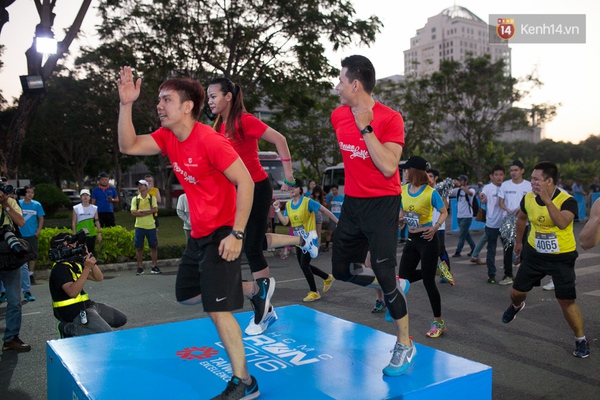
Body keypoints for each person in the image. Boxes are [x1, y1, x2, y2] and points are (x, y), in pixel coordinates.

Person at [118, 66, 267, 398]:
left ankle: (244, 383)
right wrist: (125, 104)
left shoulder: (210, 140)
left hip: (223, 232)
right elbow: (128, 145)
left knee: (217, 310)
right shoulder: (168, 136)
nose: (159, 105)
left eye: (166, 99)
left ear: (187, 106)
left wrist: (238, 234)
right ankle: (252, 289)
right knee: (186, 295)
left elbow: (246, 182)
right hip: (198, 234)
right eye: (158, 99)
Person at [207, 77, 318, 336]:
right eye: (209, 96)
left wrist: (289, 176)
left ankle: (263, 307)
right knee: (252, 241)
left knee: (252, 247)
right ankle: (303, 241)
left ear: (228, 97)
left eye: (213, 96)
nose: (210, 101)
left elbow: (280, 140)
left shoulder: (244, 120)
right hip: (236, 192)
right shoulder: (218, 126)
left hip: (256, 188)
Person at [330, 55, 413, 376]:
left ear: (355, 84)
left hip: (382, 204)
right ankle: (395, 284)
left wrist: (366, 127)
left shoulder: (391, 118)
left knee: (385, 274)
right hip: (353, 203)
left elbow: (389, 166)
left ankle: (405, 344)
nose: (337, 87)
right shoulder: (338, 115)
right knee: (342, 270)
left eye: (340, 81)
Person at [503, 161, 589, 359]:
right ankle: (517, 306)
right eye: (531, 178)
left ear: (549, 181)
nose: (532, 182)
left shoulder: (568, 201)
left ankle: (581, 339)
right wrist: (519, 242)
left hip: (562, 257)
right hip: (534, 253)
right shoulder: (528, 198)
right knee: (516, 292)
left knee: (566, 300)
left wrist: (547, 201)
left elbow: (562, 223)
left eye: (536, 179)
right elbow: (522, 218)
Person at [398, 157, 449, 338]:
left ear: (415, 171)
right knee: (403, 279)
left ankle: (438, 322)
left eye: (406, 169)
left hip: (427, 238)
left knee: (428, 283)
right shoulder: (403, 190)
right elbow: (403, 210)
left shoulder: (430, 192)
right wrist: (401, 220)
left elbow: (444, 212)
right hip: (412, 239)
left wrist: (435, 227)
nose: (404, 172)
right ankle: (436, 269)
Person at [49, 232, 127, 337]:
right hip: (72, 313)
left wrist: (87, 259)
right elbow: (73, 292)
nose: (73, 246)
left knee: (121, 319)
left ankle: (92, 327)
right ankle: (66, 328)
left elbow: (98, 277)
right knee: (107, 336)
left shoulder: (74, 264)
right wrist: (86, 268)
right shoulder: (60, 269)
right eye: (69, 245)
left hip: (87, 306)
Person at [273, 180, 338, 302]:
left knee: (304, 265)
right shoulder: (288, 205)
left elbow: (324, 210)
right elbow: (285, 222)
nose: (291, 189)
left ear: (300, 189)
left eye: (295, 187)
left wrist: (337, 222)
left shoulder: (307, 202)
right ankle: (327, 277)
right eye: (290, 187)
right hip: (299, 240)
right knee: (304, 265)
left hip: (309, 238)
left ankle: (314, 292)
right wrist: (277, 210)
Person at [0, 182, 31, 351]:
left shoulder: (11, 202)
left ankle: (11, 338)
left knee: (14, 300)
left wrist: (5, 204)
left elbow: (20, 222)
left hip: (9, 254)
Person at [498, 160, 532, 271]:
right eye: (511, 170)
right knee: (508, 250)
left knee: (523, 249)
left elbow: (532, 203)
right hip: (508, 223)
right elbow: (501, 203)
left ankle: (524, 274)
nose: (513, 173)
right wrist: (508, 210)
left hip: (523, 223)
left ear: (522, 171)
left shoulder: (529, 186)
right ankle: (507, 274)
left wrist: (521, 209)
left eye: (516, 170)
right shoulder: (505, 185)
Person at [478, 164, 507, 284]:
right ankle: (491, 275)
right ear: (491, 176)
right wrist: (482, 196)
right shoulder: (488, 188)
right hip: (491, 225)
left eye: (501, 174)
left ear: (504, 176)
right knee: (491, 250)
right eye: (496, 175)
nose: (499, 177)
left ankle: (508, 274)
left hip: (505, 224)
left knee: (507, 251)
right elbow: (483, 196)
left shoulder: (507, 187)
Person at [427, 168, 454, 285]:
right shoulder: (424, 190)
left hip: (439, 227)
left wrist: (443, 195)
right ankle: (429, 273)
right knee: (427, 252)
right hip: (426, 226)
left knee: (441, 251)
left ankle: (446, 273)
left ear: (436, 178)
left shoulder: (441, 190)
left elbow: (446, 207)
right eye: (427, 176)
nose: (429, 179)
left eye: (431, 176)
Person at [18, 185, 44, 299]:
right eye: (27, 192)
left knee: (32, 255)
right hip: (20, 234)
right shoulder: (18, 203)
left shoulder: (37, 205)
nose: (29, 194)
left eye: (31, 192)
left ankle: (30, 274)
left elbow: (41, 218)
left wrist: (38, 231)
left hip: (32, 234)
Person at [130, 179, 160, 275]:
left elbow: (154, 210)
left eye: (142, 185)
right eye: (138, 185)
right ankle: (140, 267)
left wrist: (141, 212)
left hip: (151, 225)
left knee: (153, 246)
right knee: (139, 247)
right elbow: (133, 212)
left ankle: (154, 266)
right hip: (139, 226)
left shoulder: (152, 198)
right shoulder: (135, 199)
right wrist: (148, 211)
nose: (139, 187)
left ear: (146, 187)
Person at [72, 189, 103, 256]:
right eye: (83, 195)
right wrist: (74, 235)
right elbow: (74, 222)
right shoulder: (76, 208)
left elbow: (97, 220)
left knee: (90, 252)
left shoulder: (94, 208)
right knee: (80, 252)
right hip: (80, 233)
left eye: (87, 195)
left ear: (89, 197)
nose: (85, 197)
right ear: (80, 197)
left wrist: (99, 232)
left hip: (91, 233)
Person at [451, 175, 476, 257]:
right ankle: (475, 249)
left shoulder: (471, 189)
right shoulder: (457, 191)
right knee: (466, 235)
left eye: (461, 180)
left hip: (467, 216)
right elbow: (449, 192)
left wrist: (460, 186)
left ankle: (458, 252)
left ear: (466, 182)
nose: (460, 182)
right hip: (459, 216)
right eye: (459, 180)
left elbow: (470, 193)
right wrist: (451, 184)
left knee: (462, 235)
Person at [324, 184, 344, 252]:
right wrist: (330, 200)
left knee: (340, 233)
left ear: (337, 189)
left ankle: (339, 246)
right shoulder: (329, 196)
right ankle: (326, 246)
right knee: (330, 232)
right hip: (332, 217)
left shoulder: (342, 197)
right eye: (332, 190)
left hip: (340, 217)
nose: (333, 191)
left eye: (335, 190)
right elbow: (326, 207)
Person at [310, 185, 326, 252]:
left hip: (318, 217)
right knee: (311, 233)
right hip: (311, 218)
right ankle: (312, 246)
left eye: (318, 193)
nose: (317, 194)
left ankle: (318, 247)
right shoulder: (310, 198)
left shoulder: (321, 199)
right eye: (316, 192)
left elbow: (323, 209)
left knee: (318, 233)